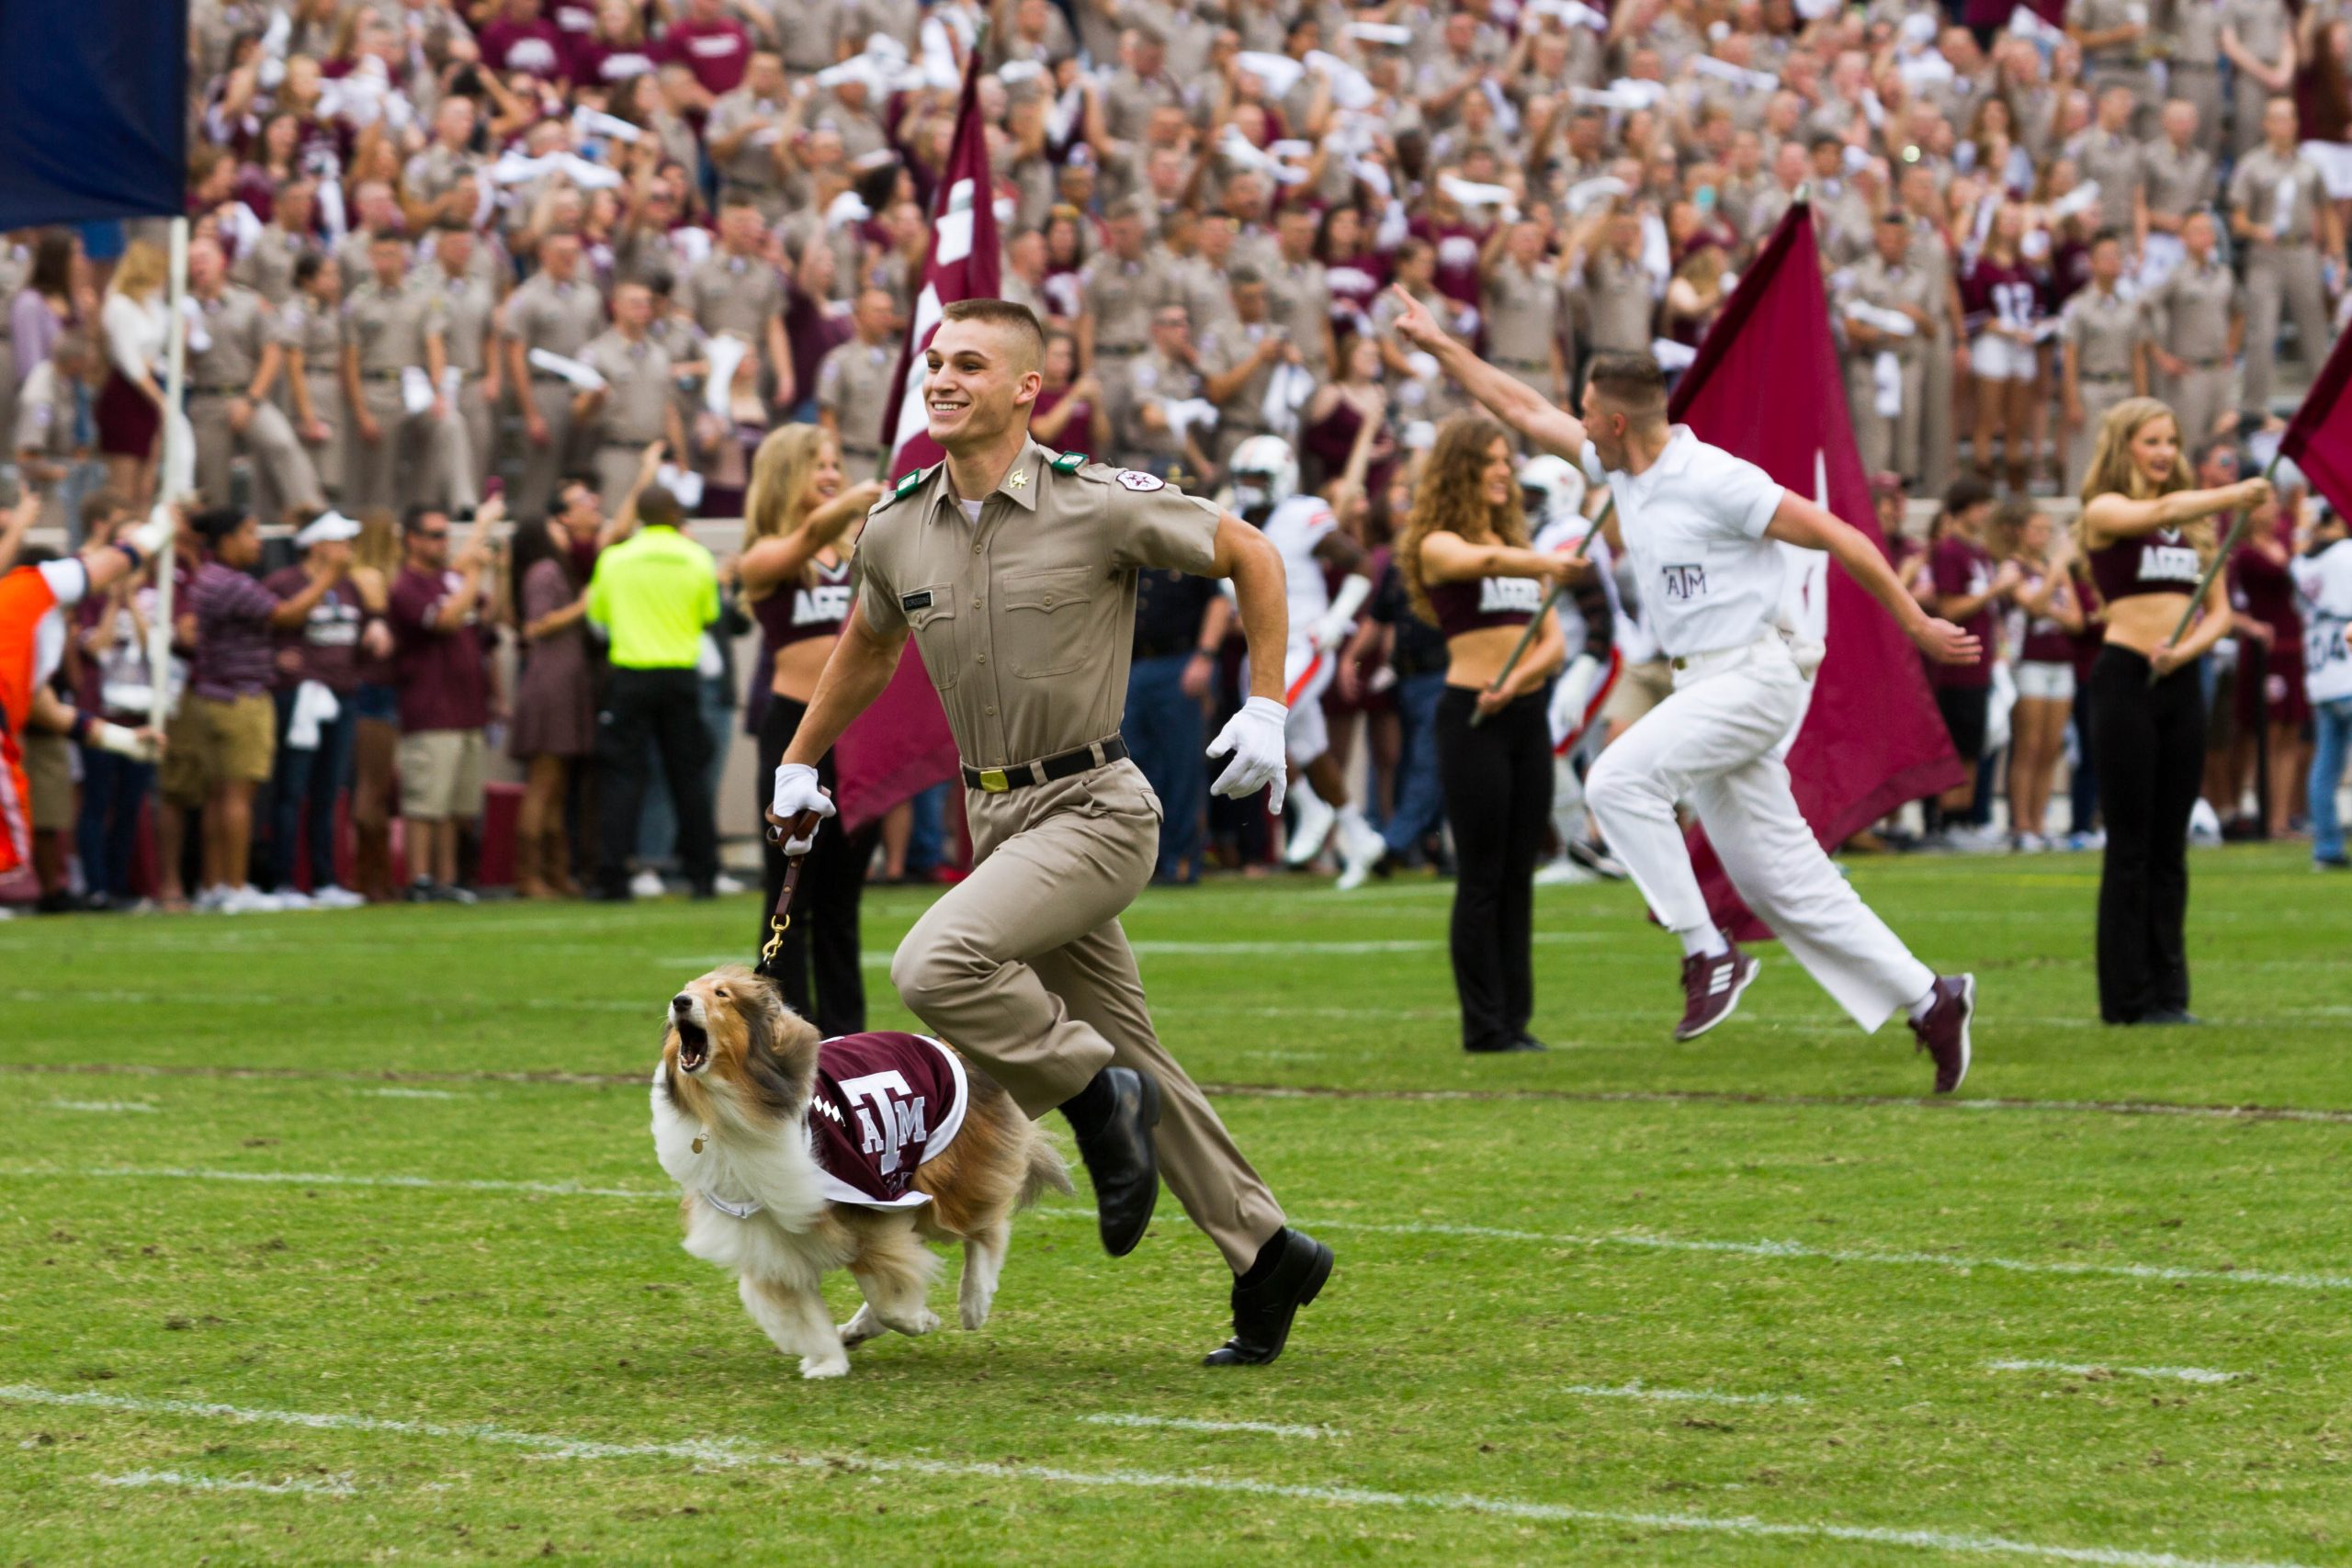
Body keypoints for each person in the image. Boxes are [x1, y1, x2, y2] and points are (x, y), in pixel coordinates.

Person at [766, 298, 1333, 1367]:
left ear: (1027, 387)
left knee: (936, 962)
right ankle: (1268, 1256)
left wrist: (1267, 704)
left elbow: (1250, 552)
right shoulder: (897, 522)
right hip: (999, 817)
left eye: (968, 365)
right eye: (935, 362)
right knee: (1136, 1055)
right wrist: (801, 758)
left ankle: (1090, 1094)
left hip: (1096, 806)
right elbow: (867, 646)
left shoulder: (1095, 503)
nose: (940, 378)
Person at [1393, 293, 1982, 1088]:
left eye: (1588, 410)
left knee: (1617, 778)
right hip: (1707, 682)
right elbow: (1521, 405)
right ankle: (1931, 997)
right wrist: (1438, 343)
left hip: (1754, 673)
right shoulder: (1620, 465)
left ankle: (1708, 951)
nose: (1576, 418)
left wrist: (1914, 621)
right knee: (1780, 881)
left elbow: (1840, 532)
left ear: (1616, 422)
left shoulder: (1715, 479)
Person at [2075, 397, 2270, 1024]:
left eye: (2170, 441)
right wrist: (2234, 492)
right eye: (2151, 441)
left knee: (2171, 843)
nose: (2164, 453)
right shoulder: (2106, 509)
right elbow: (2158, 509)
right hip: (2126, 679)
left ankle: (2169, 992)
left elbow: (2217, 610)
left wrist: (2184, 648)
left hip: (2181, 679)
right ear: (2124, 446)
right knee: (2129, 843)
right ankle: (2125, 997)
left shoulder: (2196, 525)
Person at [1391, 413, 1577, 1051]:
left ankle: (1516, 1019)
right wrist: (1547, 559)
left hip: (1521, 712)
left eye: (1508, 460)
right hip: (1470, 717)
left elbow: (1553, 644)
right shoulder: (1441, 543)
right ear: (1463, 469)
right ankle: (1484, 1024)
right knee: (1482, 873)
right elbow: (1486, 558)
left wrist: (1517, 677)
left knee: (1521, 869)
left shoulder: (1520, 549)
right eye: (1493, 460)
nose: (1505, 470)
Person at [735, 425, 884, 1030]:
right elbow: (802, 539)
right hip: (794, 738)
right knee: (789, 897)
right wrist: (852, 503)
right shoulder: (766, 556)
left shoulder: (860, 545)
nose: (831, 472)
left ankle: (848, 1040)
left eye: (835, 463)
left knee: (843, 902)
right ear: (783, 476)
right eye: (816, 465)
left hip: (858, 736)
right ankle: (781, 1036)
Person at [1225, 433, 1386, 889]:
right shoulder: (1234, 518)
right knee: (1311, 750)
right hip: (1263, 647)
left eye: (1259, 478)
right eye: (1244, 478)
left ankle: (1309, 810)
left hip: (1304, 643)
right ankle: (1358, 835)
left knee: (1260, 724)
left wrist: (1336, 620)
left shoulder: (1302, 514)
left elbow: (1361, 565)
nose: (1249, 487)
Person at [186, 506, 348, 913]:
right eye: (249, 532)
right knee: (239, 794)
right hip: (240, 697)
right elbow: (287, 614)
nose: (257, 542)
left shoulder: (210, 578)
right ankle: (236, 887)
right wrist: (330, 574)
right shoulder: (231, 582)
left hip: (214, 695)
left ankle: (215, 885)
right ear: (226, 541)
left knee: (219, 797)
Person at [0, 494, 165, 885]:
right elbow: (115, 561)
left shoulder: (34, 636)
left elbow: (50, 711)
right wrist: (163, 527)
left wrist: (124, 741)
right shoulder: (31, 586)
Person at [584, 478, 721, 901]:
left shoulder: (615, 559)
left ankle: (613, 874)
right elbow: (707, 615)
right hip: (680, 674)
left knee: (623, 776)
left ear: (640, 516)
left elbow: (598, 619)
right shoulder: (697, 558)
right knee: (688, 777)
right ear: (676, 515)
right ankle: (703, 873)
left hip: (631, 673)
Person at [389, 502, 500, 905]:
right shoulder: (407, 586)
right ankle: (419, 877)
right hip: (430, 708)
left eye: (445, 535)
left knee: (456, 805)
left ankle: (447, 877)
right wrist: (473, 574)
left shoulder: (448, 580)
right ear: (411, 540)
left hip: (467, 708)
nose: (442, 543)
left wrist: (491, 559)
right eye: (434, 535)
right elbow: (446, 620)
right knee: (426, 802)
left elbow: (492, 616)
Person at [263, 511, 372, 908]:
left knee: (329, 792)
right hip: (300, 696)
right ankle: (283, 879)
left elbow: (356, 632)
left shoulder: (351, 587)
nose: (348, 549)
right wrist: (278, 658)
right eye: (341, 540)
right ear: (318, 544)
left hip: (342, 695)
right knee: (291, 789)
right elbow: (269, 625)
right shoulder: (284, 583)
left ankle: (326, 878)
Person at [508, 479, 603, 898]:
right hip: (551, 683)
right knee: (543, 784)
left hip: (566, 682)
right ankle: (529, 874)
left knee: (557, 785)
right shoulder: (545, 571)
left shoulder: (558, 569)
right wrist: (584, 606)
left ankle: (555, 872)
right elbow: (536, 625)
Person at [1997, 503, 2087, 851]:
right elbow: (2032, 607)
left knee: (2051, 747)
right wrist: (2053, 586)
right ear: (2019, 531)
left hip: (2060, 663)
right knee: (2029, 745)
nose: (2043, 537)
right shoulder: (2013, 566)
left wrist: (2048, 595)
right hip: (2030, 661)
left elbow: (2076, 621)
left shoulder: (2054, 568)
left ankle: (2039, 822)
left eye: (2047, 530)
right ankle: (2021, 825)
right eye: (2036, 529)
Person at [2292, 502, 2352, 870]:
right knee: (2328, 763)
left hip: (2319, 669)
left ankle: (2327, 846)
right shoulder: (2345, 554)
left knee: (2326, 764)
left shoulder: (2303, 563)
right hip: (2346, 662)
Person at [96, 241, 170, 511]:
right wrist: (161, 400)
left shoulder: (156, 306)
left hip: (153, 388)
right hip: (128, 394)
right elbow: (129, 361)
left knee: (146, 485)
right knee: (123, 487)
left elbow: (158, 352)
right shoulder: (119, 305)